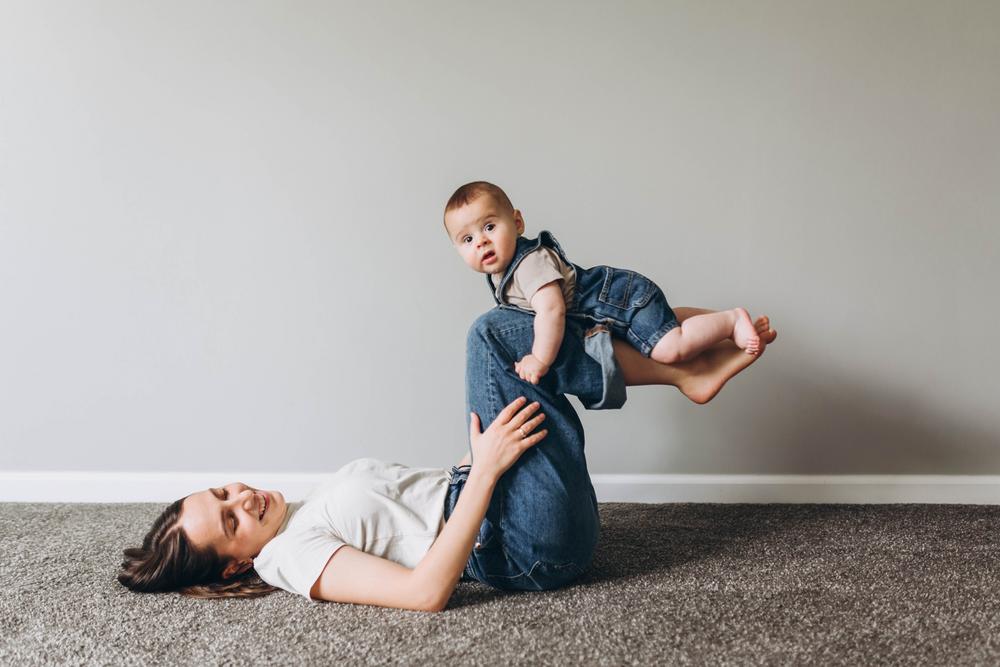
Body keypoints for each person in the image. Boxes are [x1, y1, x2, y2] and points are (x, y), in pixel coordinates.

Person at [118, 306, 776, 611]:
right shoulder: (287, 557)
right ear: (236, 563)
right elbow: (422, 591)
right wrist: (486, 472)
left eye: (223, 493)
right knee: (496, 332)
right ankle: (682, 354)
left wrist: (478, 467)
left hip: (505, 508)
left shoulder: (299, 517)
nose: (243, 499)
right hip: (521, 544)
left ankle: (685, 352)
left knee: (536, 331)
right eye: (230, 521)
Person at [443, 181, 763, 386]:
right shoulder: (502, 271)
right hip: (618, 307)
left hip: (624, 301)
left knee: (669, 349)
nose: (481, 242)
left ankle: (730, 320)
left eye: (489, 226)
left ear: (517, 222)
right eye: (467, 239)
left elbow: (551, 311)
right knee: (661, 330)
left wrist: (539, 359)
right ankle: (699, 324)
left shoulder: (528, 264)